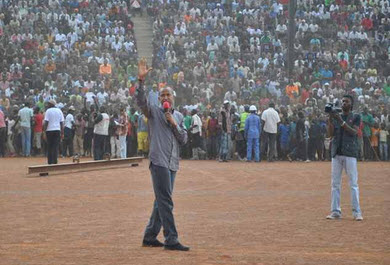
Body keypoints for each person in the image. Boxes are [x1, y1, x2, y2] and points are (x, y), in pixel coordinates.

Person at [136, 58, 189, 251]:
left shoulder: (179, 116)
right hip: (159, 162)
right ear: (159, 100)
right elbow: (140, 102)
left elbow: (183, 139)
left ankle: (150, 236)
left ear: (173, 98)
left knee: (161, 200)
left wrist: (174, 124)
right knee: (166, 200)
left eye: (168, 95)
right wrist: (141, 81)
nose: (165, 97)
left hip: (173, 163)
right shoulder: (153, 113)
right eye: (162, 95)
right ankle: (171, 239)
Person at [326, 95, 363, 221]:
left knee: (353, 183)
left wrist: (340, 121)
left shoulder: (356, 117)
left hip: (350, 153)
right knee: (335, 184)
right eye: (342, 101)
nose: (343, 103)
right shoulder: (336, 116)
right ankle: (335, 211)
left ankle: (357, 212)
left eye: (346, 102)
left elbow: (354, 132)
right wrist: (330, 120)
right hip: (336, 153)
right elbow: (330, 134)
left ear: (351, 104)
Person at [43, 100, 64, 164]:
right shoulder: (59, 111)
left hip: (49, 130)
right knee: (55, 147)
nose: (47, 105)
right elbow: (62, 123)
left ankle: (50, 162)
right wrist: (62, 132)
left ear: (51, 104)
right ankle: (55, 162)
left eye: (48, 104)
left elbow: (46, 122)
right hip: (57, 130)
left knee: (50, 147)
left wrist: (44, 132)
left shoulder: (48, 111)